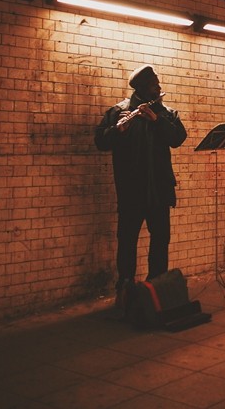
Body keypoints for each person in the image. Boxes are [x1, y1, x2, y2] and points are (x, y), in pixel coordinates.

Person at [95, 64, 187, 310]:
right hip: (131, 192)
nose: (159, 87)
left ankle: (156, 290)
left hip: (159, 191)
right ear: (143, 88)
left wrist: (157, 120)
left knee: (160, 241)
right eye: (155, 84)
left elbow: (178, 138)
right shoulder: (118, 112)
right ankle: (125, 291)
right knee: (127, 242)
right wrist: (117, 131)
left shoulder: (167, 113)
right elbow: (100, 142)